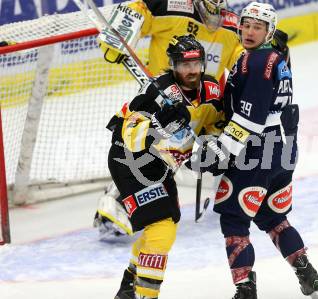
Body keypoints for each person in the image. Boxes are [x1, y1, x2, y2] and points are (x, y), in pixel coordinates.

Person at [192, 2, 318, 298]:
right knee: (274, 218)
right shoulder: (276, 58)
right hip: (283, 150)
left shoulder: (252, 61)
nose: (249, 31)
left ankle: (245, 290)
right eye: (246, 25)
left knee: (234, 219)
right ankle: (309, 277)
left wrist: (221, 151)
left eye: (258, 27)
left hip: (257, 151)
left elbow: (250, 117)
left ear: (269, 31)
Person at [93, 0, 243, 238]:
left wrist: (268, 55)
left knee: (181, 158)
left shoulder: (232, 29)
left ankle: (131, 202)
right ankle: (116, 202)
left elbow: (244, 64)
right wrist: (122, 30)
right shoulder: (173, 7)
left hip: (205, 108)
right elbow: (141, 8)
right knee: (150, 151)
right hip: (163, 105)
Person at [108, 35, 224, 299]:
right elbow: (125, 136)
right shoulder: (155, 92)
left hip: (162, 167)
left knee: (165, 224)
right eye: (184, 65)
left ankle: (129, 286)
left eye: (196, 64)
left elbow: (214, 125)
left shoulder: (212, 90)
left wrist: (214, 150)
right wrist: (159, 125)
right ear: (173, 65)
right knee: (162, 228)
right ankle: (144, 295)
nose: (191, 71)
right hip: (131, 163)